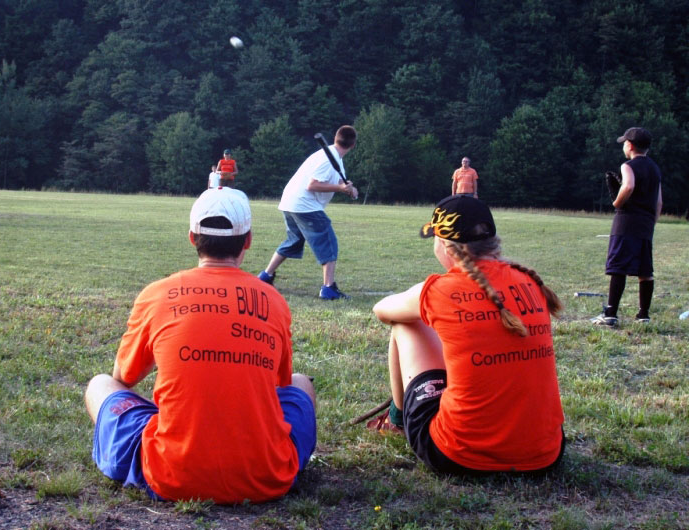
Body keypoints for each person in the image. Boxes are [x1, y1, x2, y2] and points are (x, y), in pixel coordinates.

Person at [84, 187, 317, 504]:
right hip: (265, 476)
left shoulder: (158, 293)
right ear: (247, 240)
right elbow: (281, 384)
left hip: (171, 474)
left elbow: (123, 377)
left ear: (192, 237)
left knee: (100, 385)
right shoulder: (273, 300)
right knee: (302, 383)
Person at [371, 195, 565, 475]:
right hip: (545, 454)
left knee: (404, 324)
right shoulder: (530, 282)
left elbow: (382, 311)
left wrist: (423, 297)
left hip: (458, 454)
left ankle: (397, 420)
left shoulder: (441, 290)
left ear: (444, 245)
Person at [257, 126, 359, 300]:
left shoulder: (332, 156)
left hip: (290, 202)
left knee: (294, 241)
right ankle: (328, 288)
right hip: (304, 205)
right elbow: (312, 185)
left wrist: (349, 188)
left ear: (336, 138)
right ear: (353, 144)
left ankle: (266, 276)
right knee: (328, 242)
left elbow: (339, 179)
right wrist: (340, 189)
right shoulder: (329, 158)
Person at [591, 127, 662, 326]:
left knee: (618, 267)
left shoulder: (628, 166)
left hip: (626, 221)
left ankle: (610, 313)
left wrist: (617, 202)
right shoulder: (655, 169)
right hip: (646, 224)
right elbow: (659, 202)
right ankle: (643, 316)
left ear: (629, 145)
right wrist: (651, 222)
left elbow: (628, 185)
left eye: (624, 142)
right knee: (645, 271)